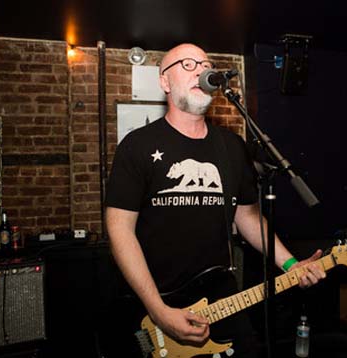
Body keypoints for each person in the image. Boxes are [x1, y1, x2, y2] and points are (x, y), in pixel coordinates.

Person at [104, 43, 326, 357]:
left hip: (220, 296)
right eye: (188, 65)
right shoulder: (138, 145)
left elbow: (247, 217)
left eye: (205, 64)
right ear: (165, 82)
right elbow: (120, 231)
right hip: (156, 298)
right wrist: (157, 309)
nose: (201, 70)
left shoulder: (231, 147)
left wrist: (290, 264)